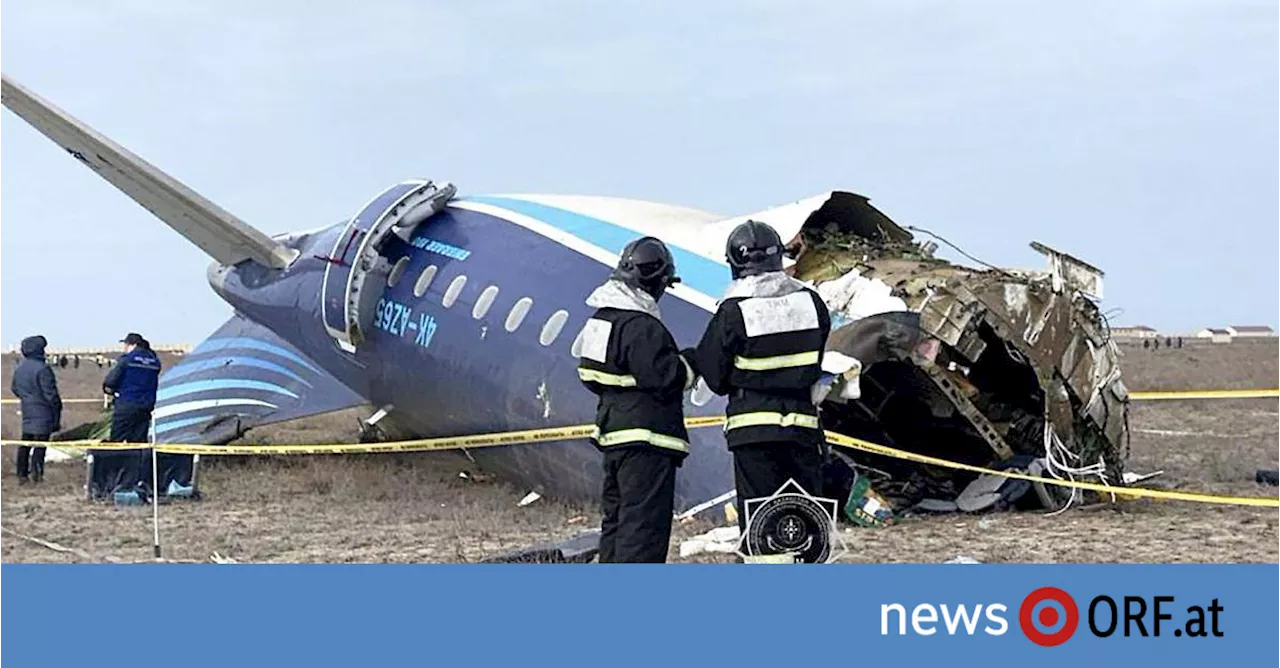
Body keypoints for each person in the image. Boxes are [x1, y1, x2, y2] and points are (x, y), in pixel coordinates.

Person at [687, 220, 832, 533]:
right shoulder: (813, 304)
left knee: (762, 522)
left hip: (753, 433)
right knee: (805, 519)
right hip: (802, 428)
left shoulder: (732, 312)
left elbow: (714, 375)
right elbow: (817, 359)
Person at [577, 237, 693, 563]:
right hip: (647, 442)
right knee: (643, 532)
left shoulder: (600, 321)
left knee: (615, 525)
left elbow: (589, 376)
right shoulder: (642, 327)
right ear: (655, 281)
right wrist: (693, 363)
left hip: (613, 437)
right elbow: (666, 379)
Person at [9, 335, 62, 484]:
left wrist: (27, 398)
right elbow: (50, 394)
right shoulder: (43, 369)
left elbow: (14, 388)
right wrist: (56, 409)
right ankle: (37, 475)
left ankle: (21, 474)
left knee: (25, 443)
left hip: (27, 410)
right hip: (44, 411)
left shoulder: (20, 368)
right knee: (40, 445)